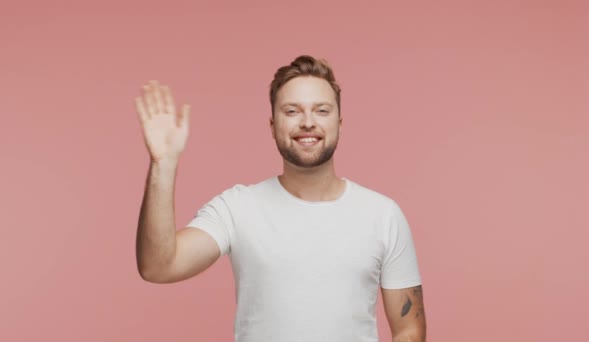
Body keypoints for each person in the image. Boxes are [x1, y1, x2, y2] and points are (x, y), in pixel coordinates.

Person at [135, 55, 426, 342]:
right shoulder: (237, 208)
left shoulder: (383, 214)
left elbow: (408, 330)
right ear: (273, 127)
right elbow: (159, 266)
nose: (308, 122)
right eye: (292, 111)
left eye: (321, 110)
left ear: (340, 123)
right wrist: (164, 164)